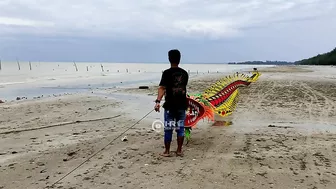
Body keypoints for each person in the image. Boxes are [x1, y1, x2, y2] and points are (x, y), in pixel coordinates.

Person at [154, 49, 189, 157]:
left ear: (169, 59)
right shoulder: (184, 73)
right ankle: (179, 150)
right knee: (180, 128)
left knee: (168, 128)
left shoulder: (166, 73)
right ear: (179, 59)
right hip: (182, 105)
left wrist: (158, 101)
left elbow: (162, 88)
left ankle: (167, 151)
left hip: (170, 105)